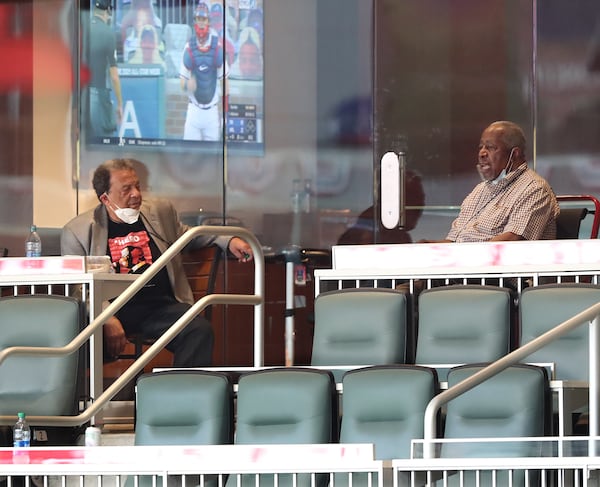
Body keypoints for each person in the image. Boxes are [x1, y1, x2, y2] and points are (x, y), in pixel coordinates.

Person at [61, 158, 254, 367]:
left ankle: (180, 396)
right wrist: (106, 317)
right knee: (72, 340)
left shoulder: (158, 213)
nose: (136, 194)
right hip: (112, 309)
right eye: (126, 189)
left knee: (198, 330)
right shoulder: (78, 231)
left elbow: (187, 235)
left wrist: (227, 240)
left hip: (158, 307)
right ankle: (84, 398)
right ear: (106, 199)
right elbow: (79, 287)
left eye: (137, 186)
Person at [421, 120, 560, 243]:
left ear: (514, 154)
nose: (482, 153)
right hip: (464, 266)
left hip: (499, 269)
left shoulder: (534, 189)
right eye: (481, 147)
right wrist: (430, 247)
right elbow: (453, 241)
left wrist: (462, 257)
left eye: (491, 147)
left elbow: (512, 242)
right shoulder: (480, 190)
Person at [179, 2, 226, 141]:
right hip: (194, 110)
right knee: (188, 156)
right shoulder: (188, 47)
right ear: (195, 21)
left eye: (203, 19)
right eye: (198, 19)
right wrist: (188, 85)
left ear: (208, 21)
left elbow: (225, 82)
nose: (201, 23)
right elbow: (181, 83)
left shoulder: (217, 47)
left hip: (212, 111)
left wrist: (224, 114)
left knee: (212, 159)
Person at [88, 0, 123, 137]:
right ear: (108, 12)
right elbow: (114, 75)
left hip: (79, 97)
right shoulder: (108, 34)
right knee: (102, 146)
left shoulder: (81, 29)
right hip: (98, 98)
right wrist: (120, 103)